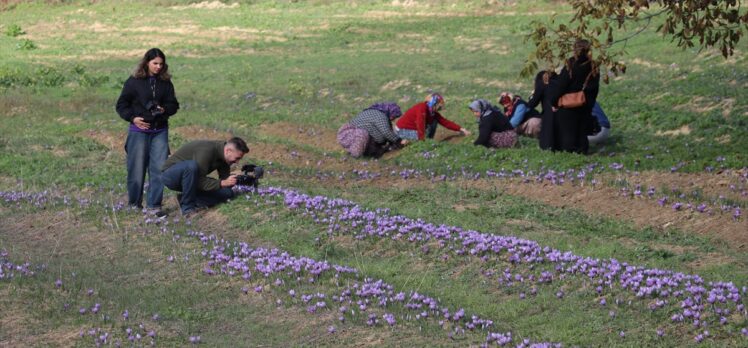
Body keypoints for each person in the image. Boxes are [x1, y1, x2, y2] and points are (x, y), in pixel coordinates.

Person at [116, 48, 180, 216]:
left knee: (159, 169)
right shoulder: (133, 82)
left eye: (161, 64)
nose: (158, 67)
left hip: (160, 131)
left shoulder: (166, 83)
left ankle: (154, 206)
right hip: (138, 131)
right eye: (155, 63)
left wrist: (164, 109)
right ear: (146, 62)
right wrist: (133, 118)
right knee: (136, 169)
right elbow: (121, 105)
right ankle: (134, 204)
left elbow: (174, 105)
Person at [160, 137, 249, 217]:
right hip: (171, 176)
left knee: (227, 193)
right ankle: (187, 209)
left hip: (191, 179)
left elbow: (224, 179)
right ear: (228, 151)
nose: (237, 162)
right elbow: (199, 180)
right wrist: (222, 183)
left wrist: (237, 179)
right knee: (191, 166)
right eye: (237, 158)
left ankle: (184, 198)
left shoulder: (224, 157)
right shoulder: (207, 150)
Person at [550, 39, 600, 154]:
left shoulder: (571, 64)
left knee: (568, 132)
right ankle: (582, 151)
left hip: (568, 106)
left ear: (575, 49)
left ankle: (570, 154)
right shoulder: (593, 66)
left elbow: (561, 85)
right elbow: (595, 87)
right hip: (585, 104)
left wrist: (554, 102)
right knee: (582, 132)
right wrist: (590, 103)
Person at [337, 102, 409, 158]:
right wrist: (399, 141)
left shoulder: (378, 114)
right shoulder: (380, 116)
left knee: (376, 148)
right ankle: (354, 154)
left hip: (353, 137)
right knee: (363, 134)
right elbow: (386, 132)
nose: (393, 119)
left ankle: (370, 154)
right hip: (350, 134)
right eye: (393, 116)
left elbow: (382, 132)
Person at [395, 93, 471, 141]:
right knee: (419, 136)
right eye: (438, 105)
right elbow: (420, 123)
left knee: (434, 121)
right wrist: (422, 140)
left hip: (411, 128)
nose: (439, 107)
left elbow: (445, 122)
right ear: (433, 103)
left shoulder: (432, 113)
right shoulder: (422, 107)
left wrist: (461, 129)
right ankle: (404, 140)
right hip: (402, 130)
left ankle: (428, 140)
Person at [527, 70, 559, 150]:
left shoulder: (542, 85)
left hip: (549, 116)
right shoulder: (559, 84)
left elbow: (532, 104)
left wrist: (532, 95)